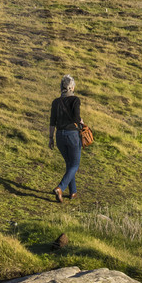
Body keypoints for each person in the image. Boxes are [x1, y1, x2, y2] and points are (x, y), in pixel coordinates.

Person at [48, 74, 85, 202]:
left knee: (69, 164)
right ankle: (60, 188)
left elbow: (52, 121)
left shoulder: (55, 102)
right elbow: (76, 118)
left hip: (59, 136)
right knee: (75, 164)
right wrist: (81, 121)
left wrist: (50, 138)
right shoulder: (75, 100)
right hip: (72, 135)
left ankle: (73, 192)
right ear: (72, 87)